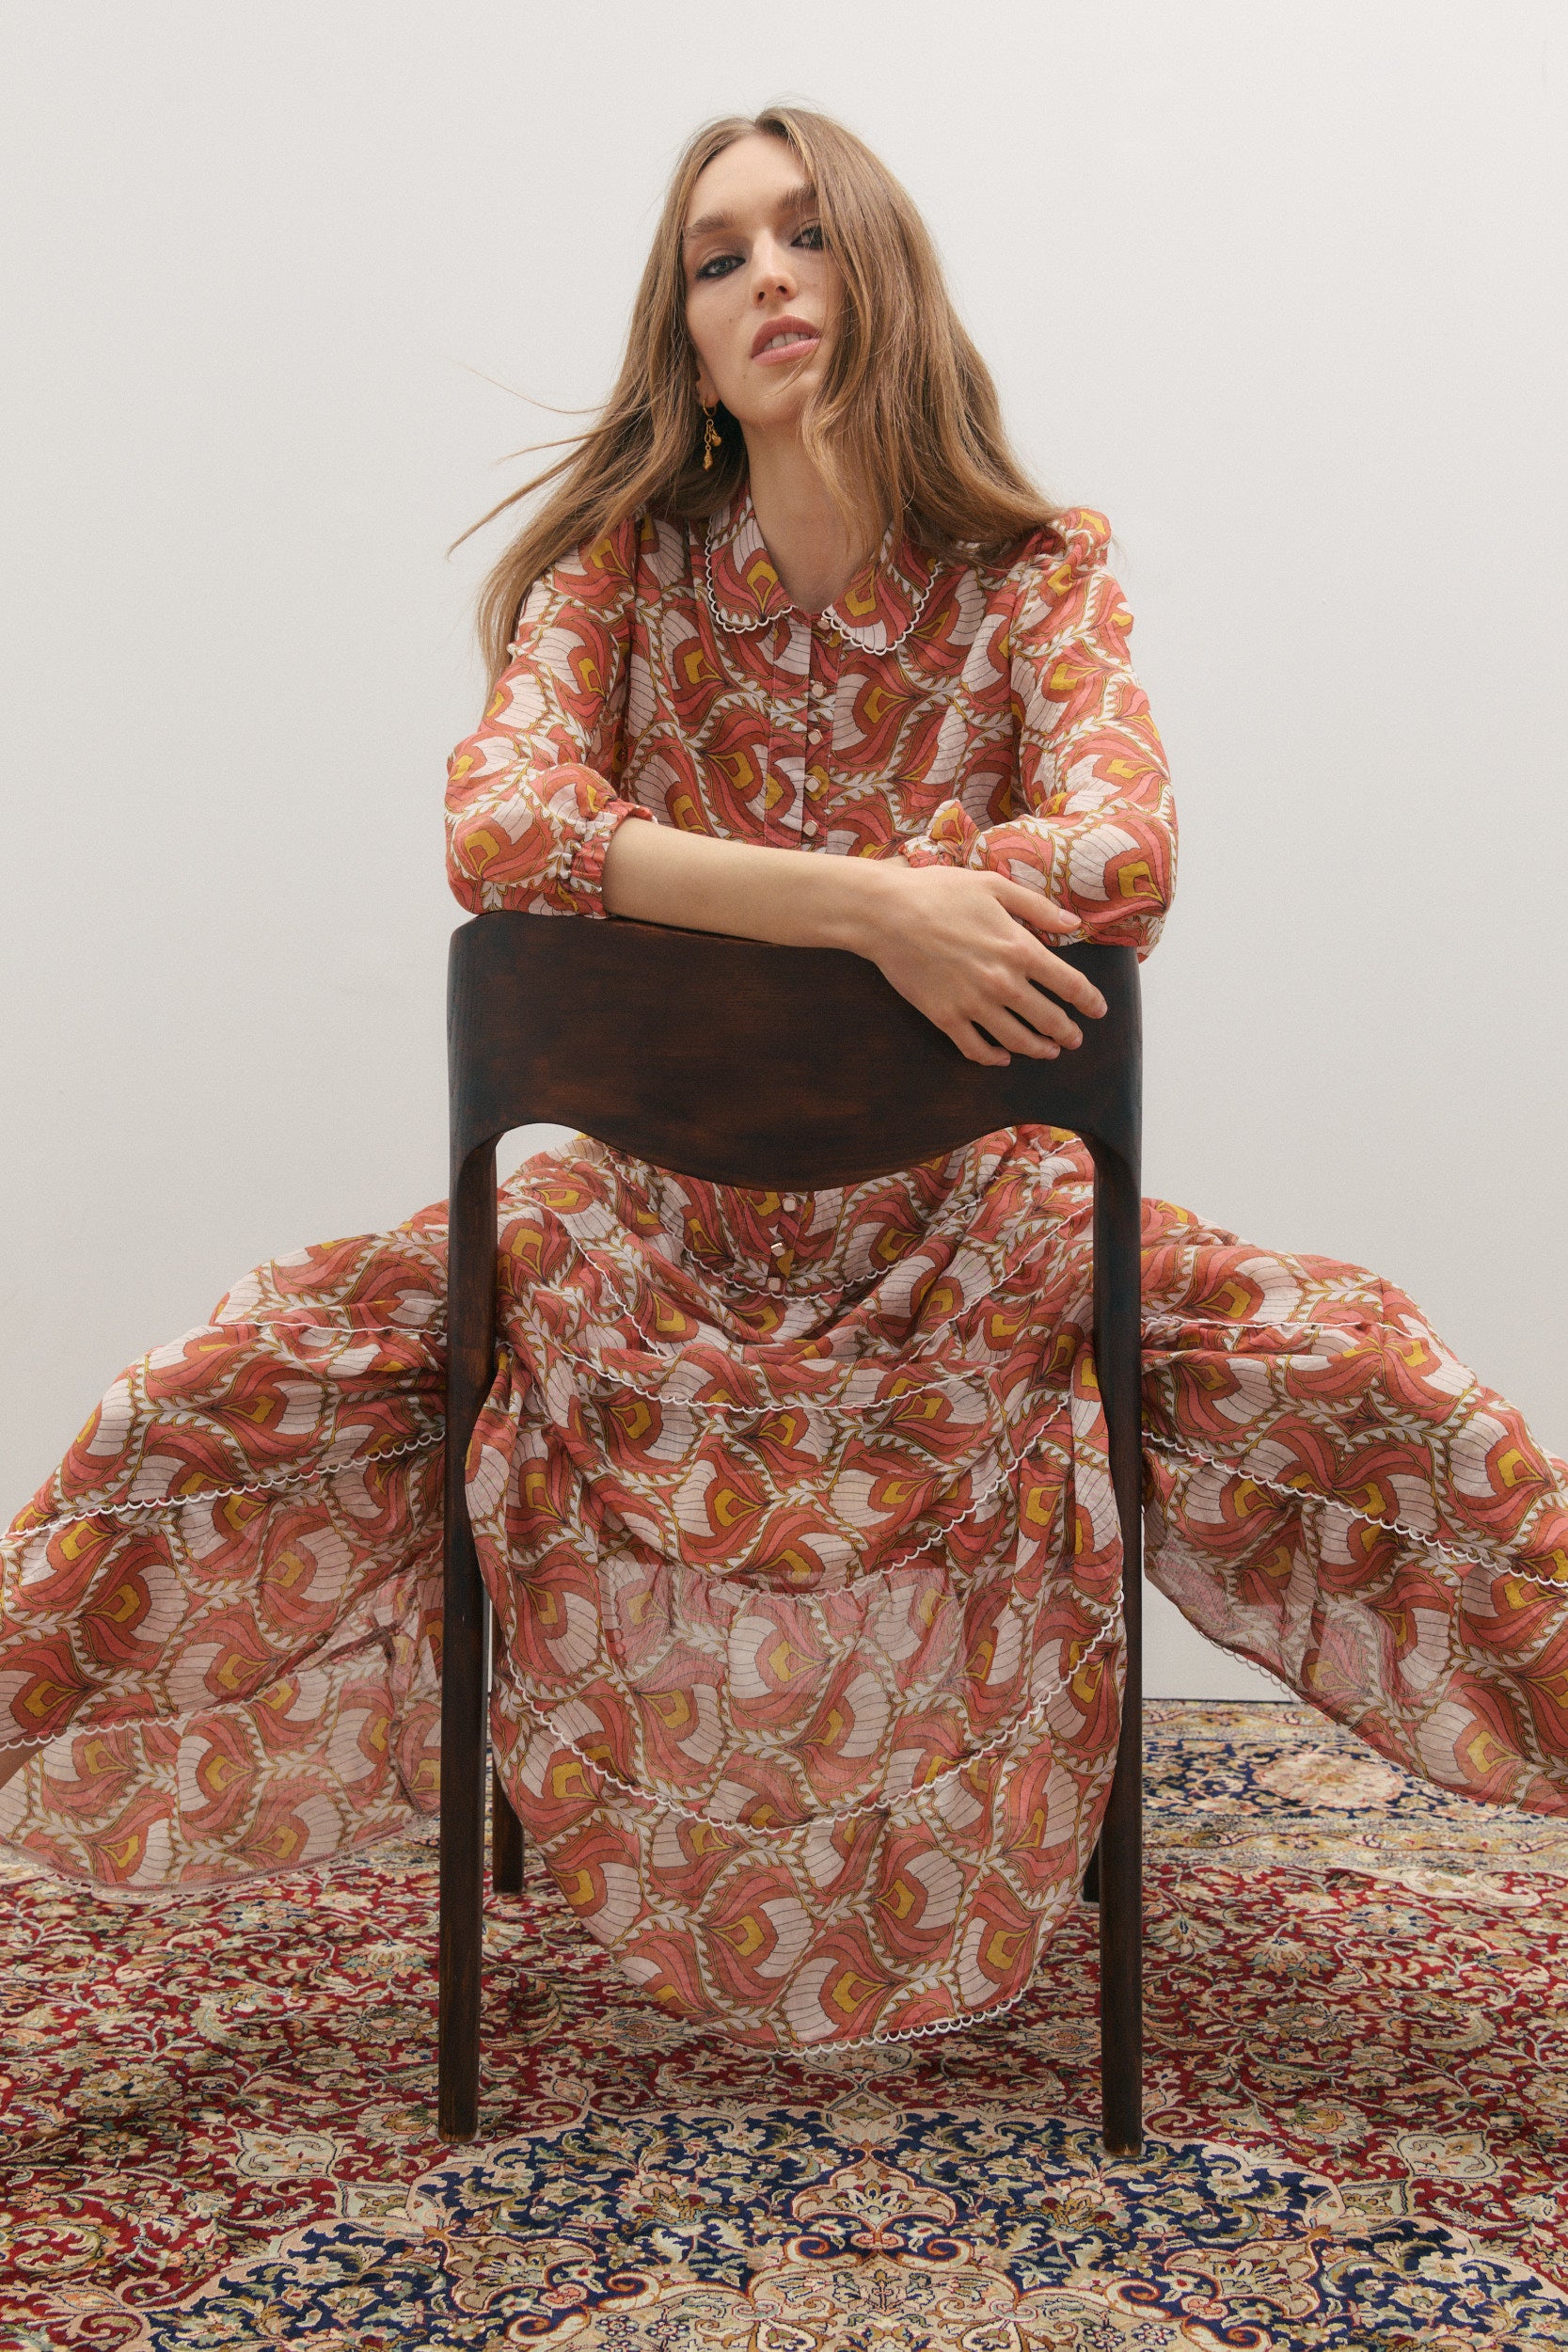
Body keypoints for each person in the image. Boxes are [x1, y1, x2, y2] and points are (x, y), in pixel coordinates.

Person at [3, 107, 1564, 2053]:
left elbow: (1124, 862)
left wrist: (728, 893)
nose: (765, 279)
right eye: (717, 254)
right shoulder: (620, 571)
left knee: (1390, 1389)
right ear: (689, 328)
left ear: (877, 270)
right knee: (210, 1388)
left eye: (804, 235)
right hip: (644, 1225)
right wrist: (881, 910)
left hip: (975, 1226)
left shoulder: (1034, 571)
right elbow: (497, 826)